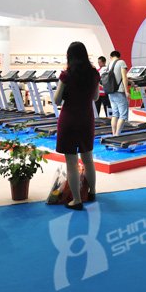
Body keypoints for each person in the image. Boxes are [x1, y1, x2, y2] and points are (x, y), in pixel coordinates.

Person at [53, 42, 99, 210]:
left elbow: (57, 100)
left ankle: (77, 200)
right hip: (86, 118)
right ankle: (92, 192)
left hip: (69, 119)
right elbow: (95, 97)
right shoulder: (94, 74)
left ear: (69, 56)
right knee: (88, 159)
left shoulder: (66, 75)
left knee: (71, 163)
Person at [106, 50, 130, 136]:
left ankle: (114, 134)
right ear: (119, 56)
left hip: (111, 92)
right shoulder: (121, 62)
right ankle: (117, 134)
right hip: (119, 92)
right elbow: (124, 77)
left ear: (111, 57)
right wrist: (127, 91)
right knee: (123, 115)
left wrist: (131, 82)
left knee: (115, 114)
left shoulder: (109, 64)